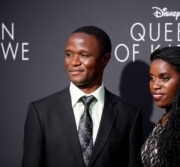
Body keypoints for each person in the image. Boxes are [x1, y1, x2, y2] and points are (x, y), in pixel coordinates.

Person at [22, 25, 143, 167]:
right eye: (69, 54)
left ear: (105, 59)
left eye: (84, 55)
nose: (74, 62)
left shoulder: (129, 115)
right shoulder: (40, 112)